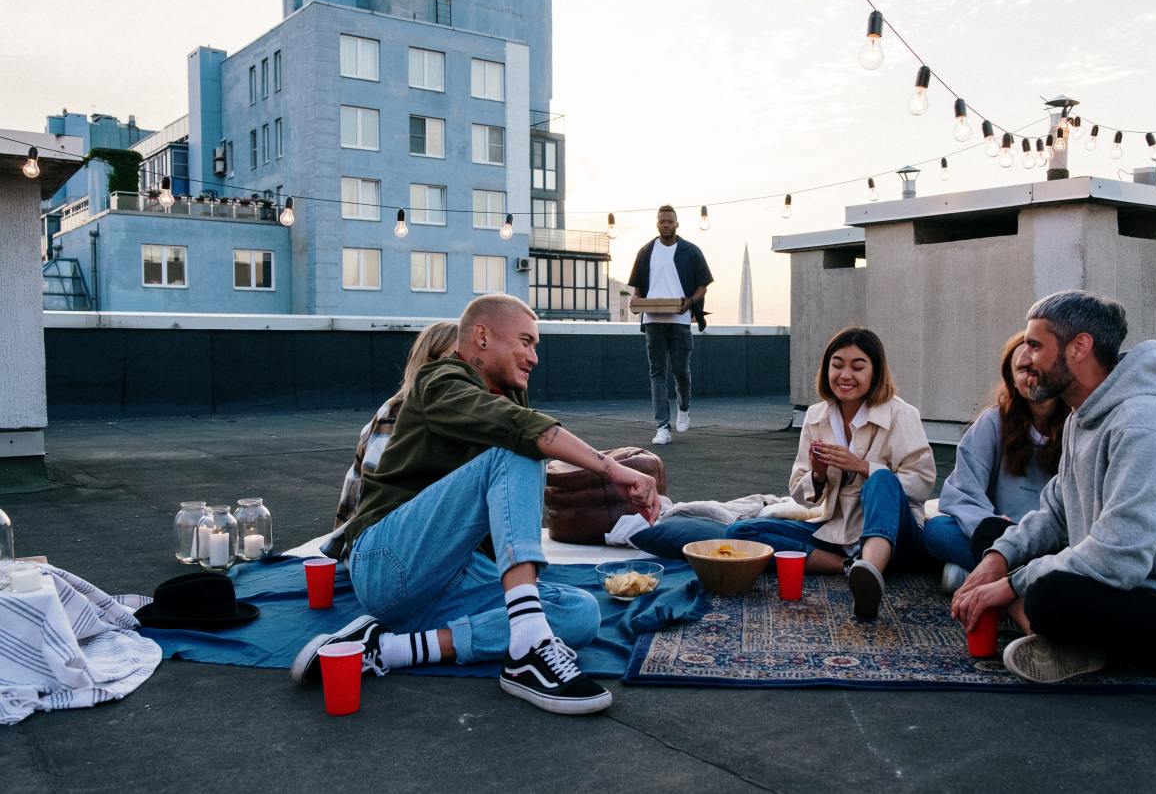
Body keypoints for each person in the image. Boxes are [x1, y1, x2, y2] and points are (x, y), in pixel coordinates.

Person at [292, 295, 661, 715]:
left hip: (452, 579)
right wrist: (612, 469)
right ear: (482, 337)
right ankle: (528, 648)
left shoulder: (508, 397)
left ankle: (388, 649)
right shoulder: (440, 380)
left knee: (580, 612)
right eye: (526, 342)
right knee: (517, 447)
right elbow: (518, 431)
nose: (534, 357)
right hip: (387, 562)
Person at [952, 290, 1156, 683]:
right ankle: (1065, 640)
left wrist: (1010, 584)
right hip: (1126, 587)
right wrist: (998, 560)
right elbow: (1055, 512)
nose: (1024, 358)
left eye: (1034, 345)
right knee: (993, 535)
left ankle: (1050, 629)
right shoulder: (1083, 415)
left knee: (1050, 598)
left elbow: (1119, 557)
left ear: (1079, 346)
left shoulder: (1145, 425)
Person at [725, 327, 935, 619]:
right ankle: (850, 568)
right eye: (837, 365)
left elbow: (922, 484)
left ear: (875, 372)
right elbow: (802, 497)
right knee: (741, 532)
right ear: (826, 370)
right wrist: (818, 475)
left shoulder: (901, 414)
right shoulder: (815, 416)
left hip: (897, 538)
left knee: (882, 479)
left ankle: (872, 568)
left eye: (857, 367)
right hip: (837, 533)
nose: (845, 375)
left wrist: (862, 466)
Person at [922, 332, 1067, 591]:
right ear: (1011, 378)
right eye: (1022, 369)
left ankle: (980, 577)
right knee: (936, 530)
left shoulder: (1078, 423)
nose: (1031, 375)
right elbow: (963, 492)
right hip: (998, 532)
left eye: (1038, 366)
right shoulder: (993, 422)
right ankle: (1020, 581)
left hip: (1054, 537)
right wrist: (990, 524)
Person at [333, 320, 458, 530]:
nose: (465, 371)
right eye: (455, 360)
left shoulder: (447, 411)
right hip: (373, 537)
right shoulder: (397, 413)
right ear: (429, 363)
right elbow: (375, 499)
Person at [627, 204, 714, 446]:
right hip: (653, 320)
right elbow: (638, 289)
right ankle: (662, 426)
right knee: (657, 372)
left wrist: (691, 301)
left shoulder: (691, 251)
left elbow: (703, 285)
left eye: (670, 221)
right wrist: (635, 301)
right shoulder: (646, 251)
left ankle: (683, 407)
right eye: (662, 221)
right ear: (657, 224)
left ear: (677, 224)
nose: (666, 224)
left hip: (680, 319)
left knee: (680, 370)